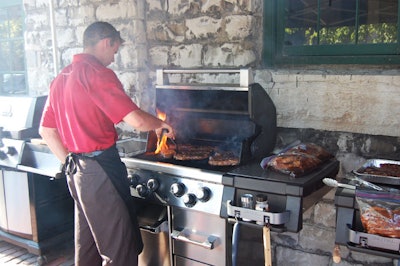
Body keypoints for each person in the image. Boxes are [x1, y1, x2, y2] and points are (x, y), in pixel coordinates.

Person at [39, 21, 174, 266]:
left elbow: (46, 130)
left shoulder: (62, 77)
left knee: (88, 246)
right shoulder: (97, 73)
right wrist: (158, 124)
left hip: (77, 173)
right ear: (105, 42)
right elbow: (134, 119)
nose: (114, 57)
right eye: (114, 50)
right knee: (120, 250)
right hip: (98, 171)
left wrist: (71, 161)